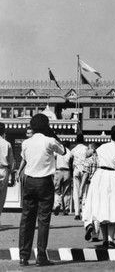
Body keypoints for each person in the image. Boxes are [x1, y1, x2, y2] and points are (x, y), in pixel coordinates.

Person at [18, 113, 66, 267]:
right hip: (45, 182)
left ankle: (23, 256)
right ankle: (41, 256)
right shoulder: (49, 141)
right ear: (46, 126)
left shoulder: (26, 143)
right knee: (43, 220)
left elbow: (25, 158)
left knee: (26, 219)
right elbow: (63, 150)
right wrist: (52, 133)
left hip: (29, 181)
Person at [82, 125, 115, 248]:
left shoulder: (102, 148)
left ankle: (104, 239)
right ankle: (110, 239)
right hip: (114, 177)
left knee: (102, 207)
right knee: (113, 208)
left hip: (100, 175)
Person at [79, 142, 101, 242]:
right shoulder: (102, 160)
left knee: (86, 207)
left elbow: (85, 175)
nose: (86, 151)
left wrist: (81, 188)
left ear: (92, 149)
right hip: (99, 186)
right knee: (97, 209)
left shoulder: (88, 160)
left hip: (89, 186)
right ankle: (96, 234)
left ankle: (88, 225)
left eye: (88, 148)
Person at [0, 122, 15, 227]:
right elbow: (11, 162)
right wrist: (13, 176)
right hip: (3, 171)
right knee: (1, 197)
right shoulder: (6, 144)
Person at [71, 133, 88, 220]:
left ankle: (77, 213)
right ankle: (84, 212)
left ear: (76, 140)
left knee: (76, 191)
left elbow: (70, 160)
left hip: (76, 169)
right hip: (84, 169)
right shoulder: (86, 149)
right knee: (84, 191)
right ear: (83, 140)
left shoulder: (74, 150)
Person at [53, 141, 73, 216]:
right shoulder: (70, 152)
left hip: (58, 171)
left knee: (57, 190)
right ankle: (66, 209)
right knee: (67, 192)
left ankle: (57, 203)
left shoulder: (57, 151)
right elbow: (71, 164)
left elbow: (53, 158)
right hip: (67, 172)